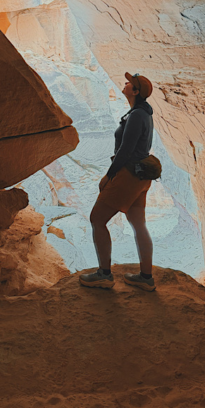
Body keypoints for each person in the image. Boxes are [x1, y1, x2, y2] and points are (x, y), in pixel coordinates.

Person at [79, 72, 156, 292]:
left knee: (97, 219)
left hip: (128, 175)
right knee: (138, 223)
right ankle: (146, 277)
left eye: (129, 82)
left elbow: (125, 150)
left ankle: (104, 275)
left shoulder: (136, 116)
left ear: (136, 91)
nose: (125, 83)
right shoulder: (143, 113)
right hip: (141, 176)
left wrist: (109, 176)